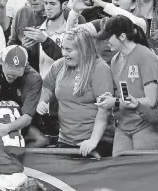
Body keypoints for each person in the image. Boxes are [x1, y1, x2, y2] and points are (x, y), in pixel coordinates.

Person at [37, 28, 115, 157]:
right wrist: (42, 101)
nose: (64, 53)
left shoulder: (99, 68)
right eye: (63, 48)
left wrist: (93, 141)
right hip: (66, 140)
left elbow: (104, 109)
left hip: (97, 141)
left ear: (83, 50)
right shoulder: (59, 65)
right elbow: (47, 87)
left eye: (69, 50)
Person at [95, 15, 158, 156]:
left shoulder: (145, 56)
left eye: (109, 37)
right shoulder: (115, 59)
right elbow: (124, 94)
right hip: (123, 126)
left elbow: (150, 100)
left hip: (145, 126)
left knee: (142, 175)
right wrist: (111, 98)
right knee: (119, 174)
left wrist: (115, 101)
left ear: (122, 36)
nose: (106, 41)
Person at [0, 45, 49, 148]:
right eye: (10, 68)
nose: (12, 74)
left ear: (25, 66)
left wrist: (6, 128)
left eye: (17, 71)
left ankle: (15, 156)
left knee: (41, 140)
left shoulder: (34, 78)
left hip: (20, 122)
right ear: (2, 62)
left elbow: (27, 117)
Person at [23, 0, 69, 78]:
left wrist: (45, 41)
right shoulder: (37, 31)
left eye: (52, 4)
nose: (47, 8)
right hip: (38, 89)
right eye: (46, 3)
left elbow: (68, 61)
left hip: (60, 89)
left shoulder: (72, 33)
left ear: (64, 4)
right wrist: (25, 50)